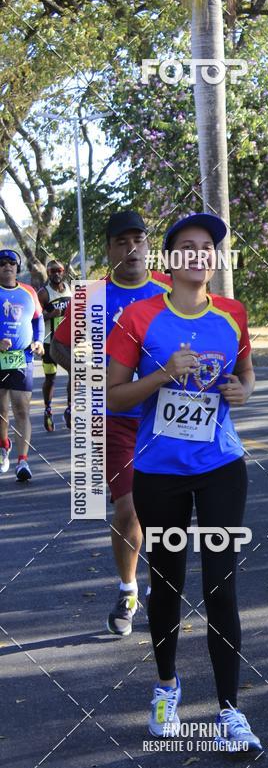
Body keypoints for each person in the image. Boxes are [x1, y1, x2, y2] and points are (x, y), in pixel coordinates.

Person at [106, 213, 261, 751]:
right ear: (170, 261)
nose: (199, 254)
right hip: (159, 470)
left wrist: (244, 390)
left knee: (221, 585)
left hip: (221, 466)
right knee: (168, 582)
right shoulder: (139, 316)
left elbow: (246, 373)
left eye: (207, 247)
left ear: (214, 260)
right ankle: (167, 686)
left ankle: (230, 711)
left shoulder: (233, 313)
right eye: (187, 246)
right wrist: (163, 374)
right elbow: (114, 396)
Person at [51, 211, 171, 636]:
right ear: (109, 249)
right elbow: (58, 346)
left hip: (164, 417)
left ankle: (160, 588)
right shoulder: (92, 297)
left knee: (165, 510)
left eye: (138, 240)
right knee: (129, 507)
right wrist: (88, 374)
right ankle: (127, 589)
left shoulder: (169, 289)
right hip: (114, 419)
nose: (132, 248)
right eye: (122, 242)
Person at [0, 248, 44, 481]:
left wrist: (39, 340)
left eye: (12, 263)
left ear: (17, 267)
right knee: (2, 410)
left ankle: (22, 461)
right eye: (2, 263)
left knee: (21, 408)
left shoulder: (28, 292)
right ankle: (4, 444)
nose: (7, 266)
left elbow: (38, 319)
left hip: (22, 358)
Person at [38, 259, 72, 432]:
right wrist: (50, 315)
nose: (56, 274)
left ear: (63, 272)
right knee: (50, 378)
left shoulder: (70, 289)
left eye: (59, 270)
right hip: (49, 342)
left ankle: (70, 409)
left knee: (75, 373)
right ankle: (48, 410)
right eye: (53, 271)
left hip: (67, 342)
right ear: (48, 273)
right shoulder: (44, 293)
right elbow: (35, 317)